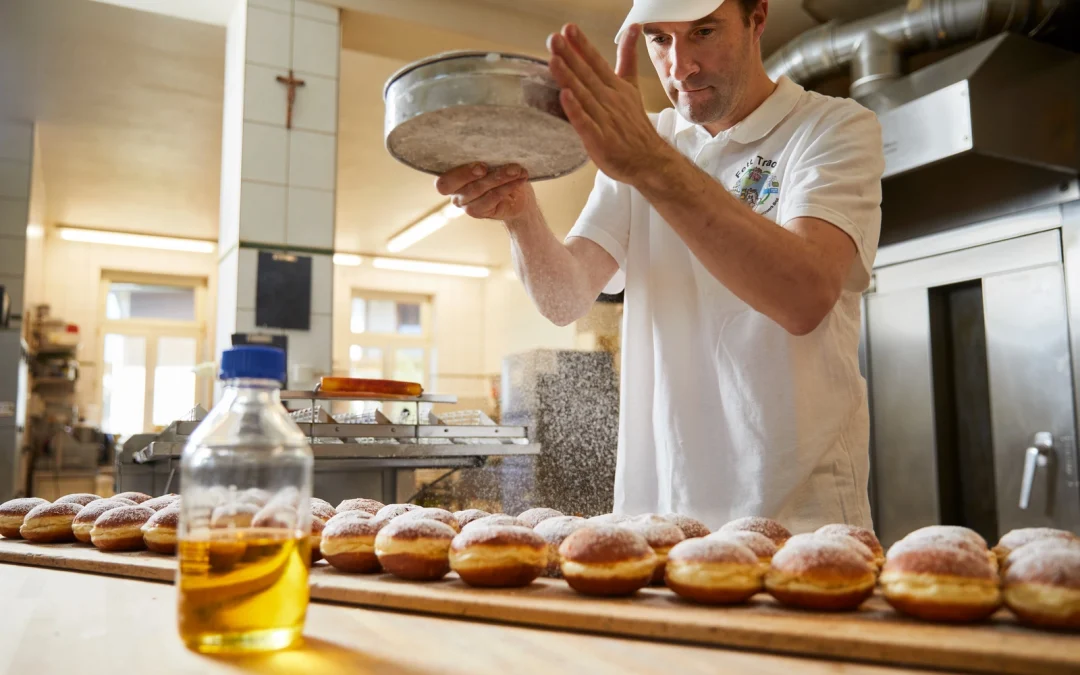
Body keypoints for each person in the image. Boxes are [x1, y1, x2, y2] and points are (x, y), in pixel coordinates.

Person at [434, 0, 884, 532]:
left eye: (704, 32)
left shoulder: (830, 128)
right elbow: (566, 299)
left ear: (756, 17)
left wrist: (650, 161)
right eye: (660, 40)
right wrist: (521, 215)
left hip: (796, 520)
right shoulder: (644, 142)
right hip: (659, 517)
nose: (680, 66)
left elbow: (803, 297)